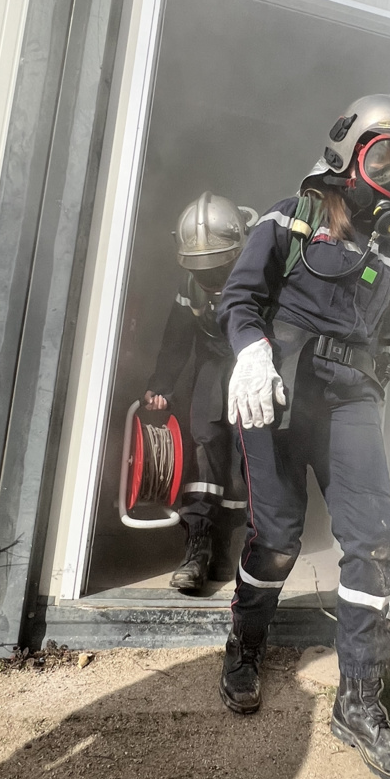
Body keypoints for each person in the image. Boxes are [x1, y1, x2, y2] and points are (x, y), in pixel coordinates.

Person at [216, 94, 390, 779]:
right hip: (278, 391)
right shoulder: (293, 214)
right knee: (277, 538)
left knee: (372, 540)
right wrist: (249, 352)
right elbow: (239, 298)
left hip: (351, 398)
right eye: (384, 158)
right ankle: (244, 643)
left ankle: (360, 702)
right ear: (349, 152)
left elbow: (380, 333)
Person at [145, 191, 256, 589]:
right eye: (201, 267)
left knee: (244, 465)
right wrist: (161, 384)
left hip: (252, 373)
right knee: (203, 454)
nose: (210, 275)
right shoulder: (190, 288)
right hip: (211, 372)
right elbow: (176, 341)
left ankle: (225, 548)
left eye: (218, 265)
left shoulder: (261, 271)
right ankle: (197, 549)